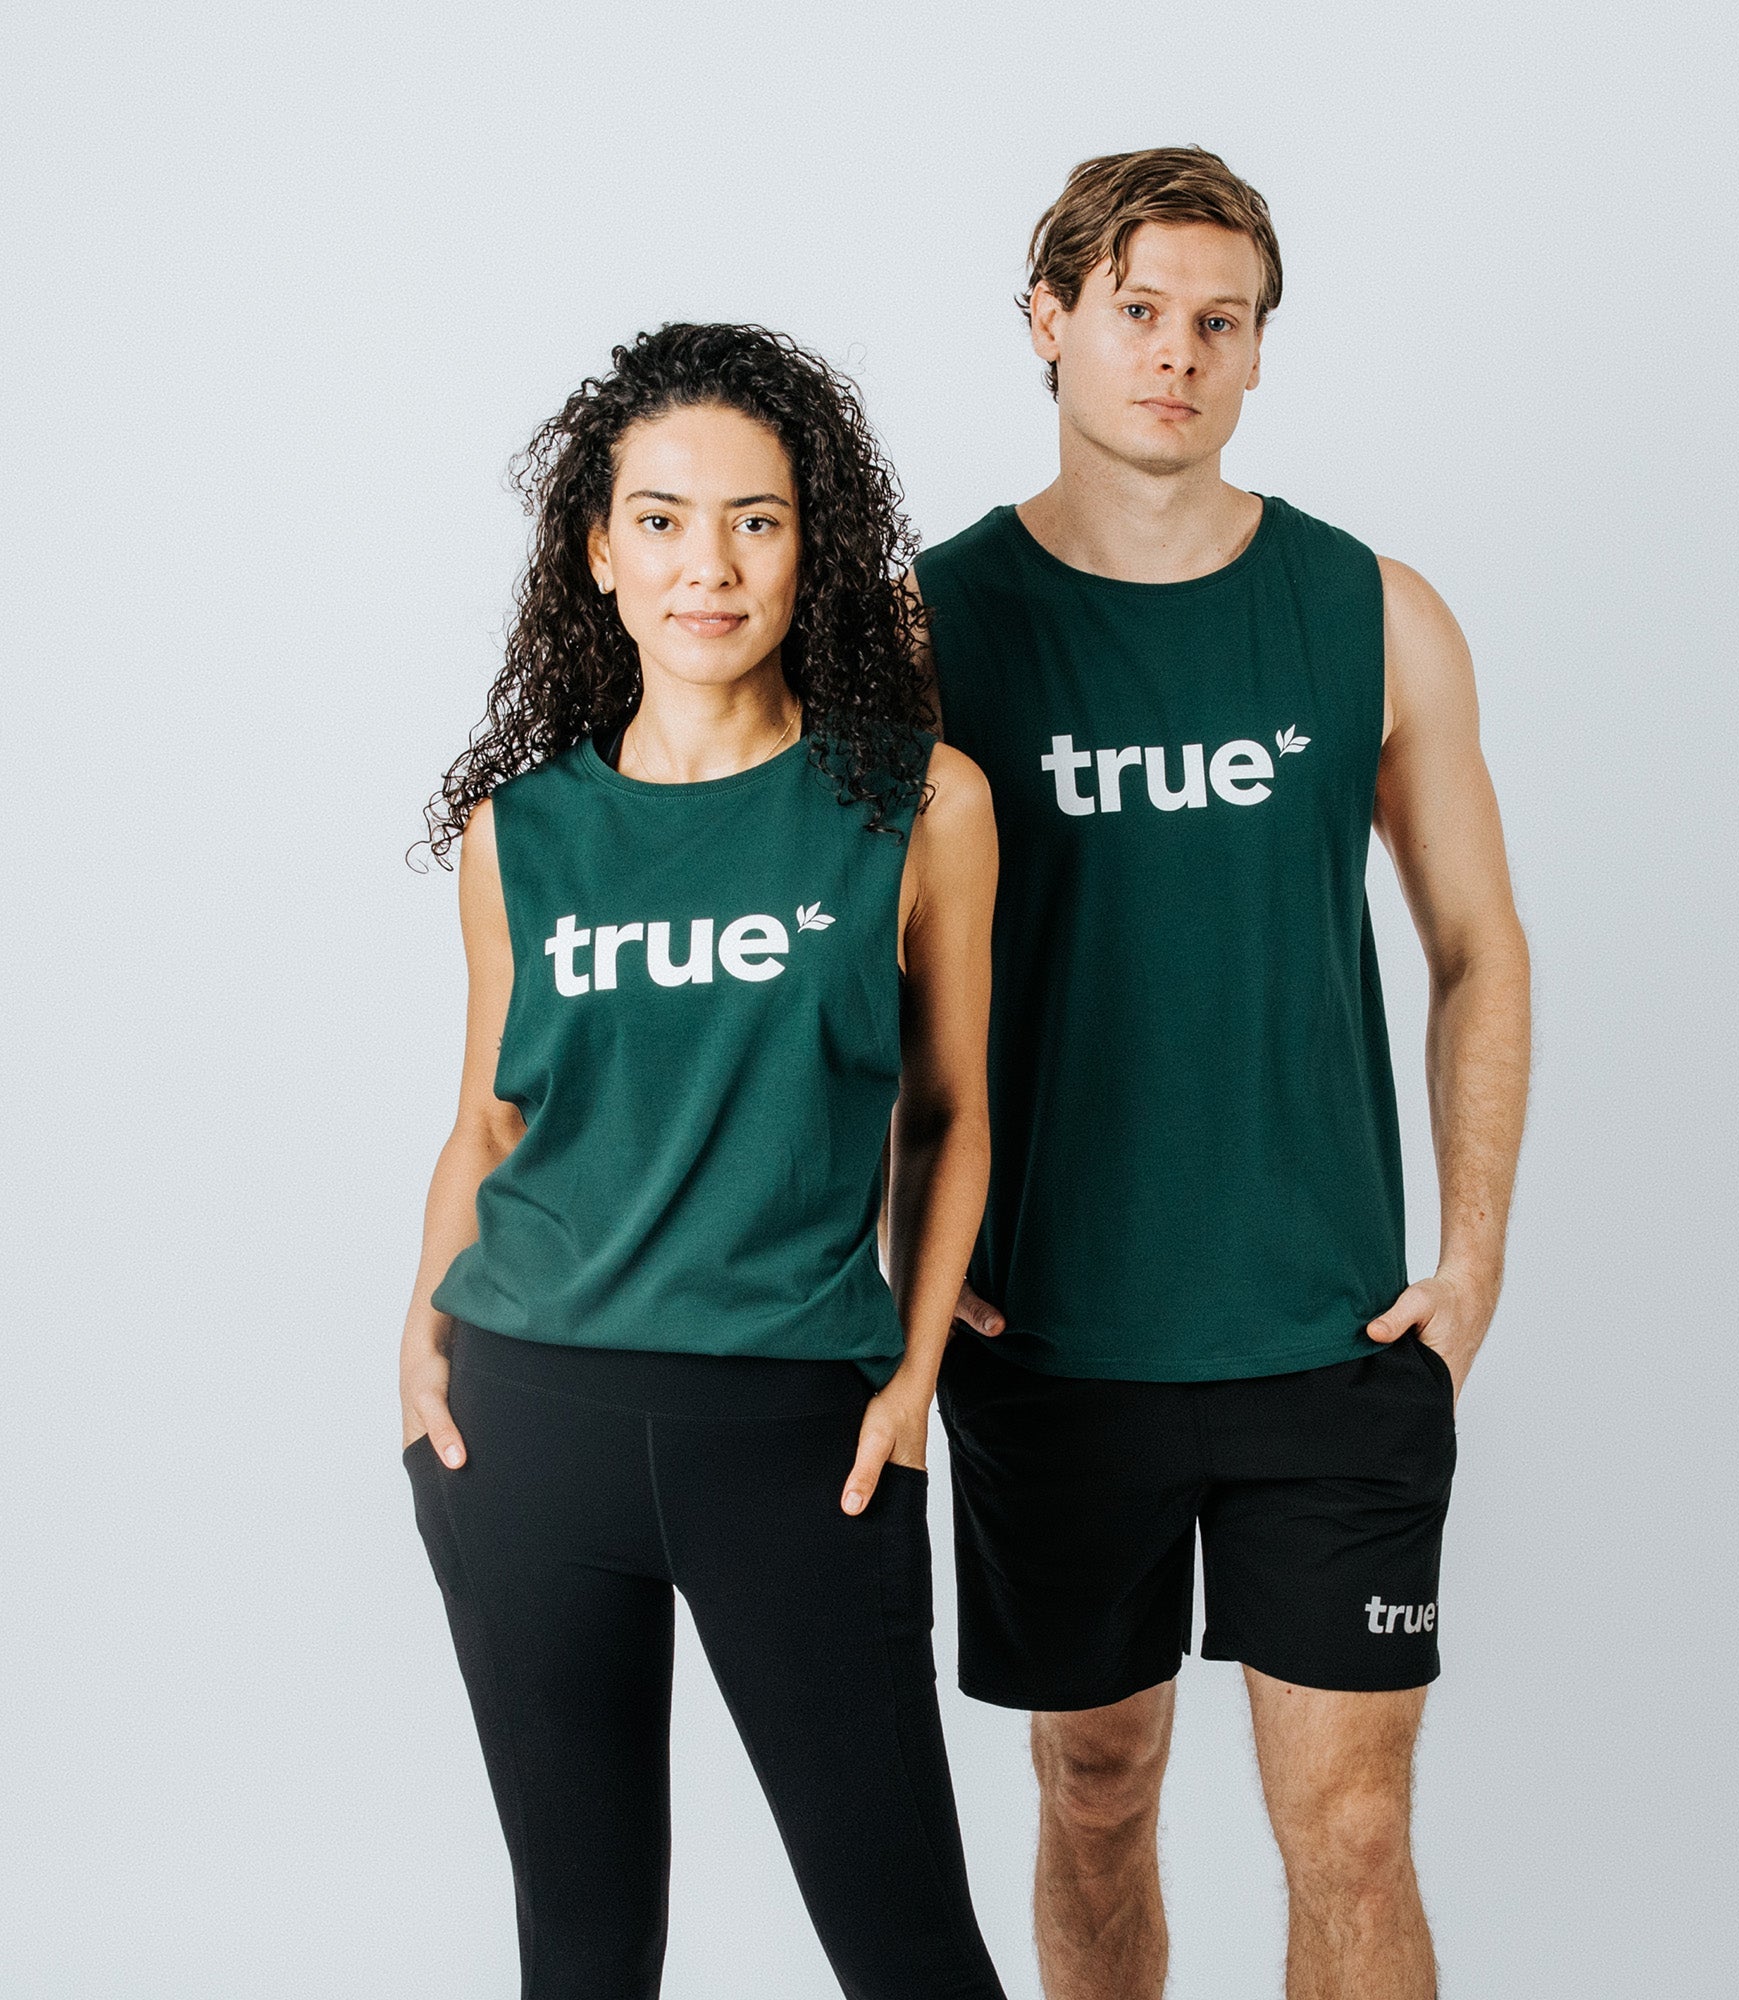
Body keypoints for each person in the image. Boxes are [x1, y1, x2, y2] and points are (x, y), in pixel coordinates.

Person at [910, 149, 1532, 2000]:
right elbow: (849, 983)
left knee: (1349, 1825)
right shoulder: (933, 631)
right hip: (1052, 1350)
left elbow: (1479, 950)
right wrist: (907, 1262)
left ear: (1259, 350)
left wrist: (1475, 1258)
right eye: (1137, 312)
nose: (1176, 354)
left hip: (1329, 1347)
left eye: (1219, 323)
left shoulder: (1373, 611)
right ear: (1050, 322)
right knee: (1093, 1784)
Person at [400, 322, 1006, 2000]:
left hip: (797, 1433)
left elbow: (953, 1113)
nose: (708, 563)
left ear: (810, 546)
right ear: (597, 553)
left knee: (909, 1952)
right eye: (661, 519)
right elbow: (489, 1118)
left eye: (756, 518)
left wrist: (912, 1381)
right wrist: (417, 1333)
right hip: (523, 1424)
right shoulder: (522, 833)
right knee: (583, 1955)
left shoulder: (916, 804)